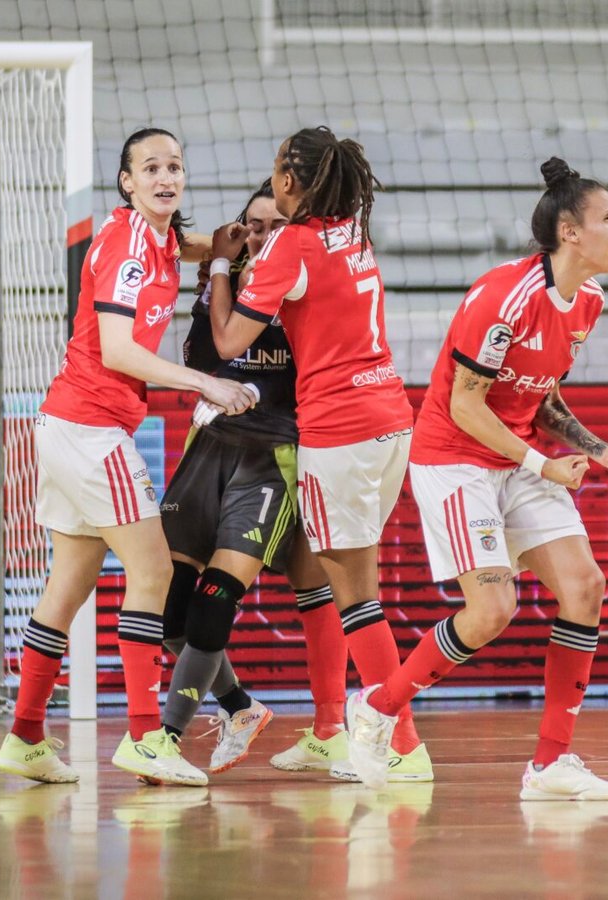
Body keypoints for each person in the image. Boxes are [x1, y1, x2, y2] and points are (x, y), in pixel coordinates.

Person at [342, 158, 608, 798]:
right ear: (569, 231)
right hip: (455, 460)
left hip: (518, 458)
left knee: (585, 588)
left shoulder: (588, 300)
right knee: (492, 610)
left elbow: (543, 399)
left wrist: (597, 449)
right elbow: (464, 406)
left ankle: (550, 765)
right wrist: (543, 463)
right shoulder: (503, 298)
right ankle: (376, 707)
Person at [0, 127, 257, 787]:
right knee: (156, 569)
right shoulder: (127, 246)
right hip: (91, 430)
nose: (166, 176)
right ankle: (145, 737)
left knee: (68, 587)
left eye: (175, 165)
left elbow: (195, 244)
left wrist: (237, 242)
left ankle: (25, 737)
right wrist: (207, 383)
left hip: (65, 427)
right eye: (150, 168)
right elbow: (117, 350)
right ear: (126, 181)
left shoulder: (157, 237)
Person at [211, 127, 430, 780]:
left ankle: (402, 743)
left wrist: (222, 266)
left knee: (357, 595)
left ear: (288, 181)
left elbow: (227, 343)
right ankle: (339, 732)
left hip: (340, 431)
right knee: (350, 586)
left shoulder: (292, 246)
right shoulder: (353, 236)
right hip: (392, 420)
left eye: (278, 165)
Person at [157, 180, 349, 774]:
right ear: (240, 234)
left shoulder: (308, 293)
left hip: (271, 461)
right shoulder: (221, 289)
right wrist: (220, 276)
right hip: (206, 451)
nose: (264, 236)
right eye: (254, 226)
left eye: (276, 226)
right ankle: (238, 706)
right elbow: (199, 364)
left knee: (215, 605)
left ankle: (165, 740)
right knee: (170, 617)